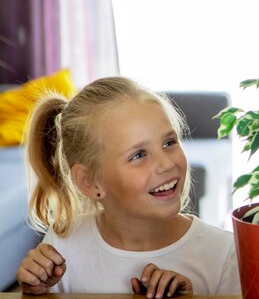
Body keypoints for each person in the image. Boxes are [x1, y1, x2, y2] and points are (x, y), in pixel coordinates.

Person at [16, 76, 241, 298]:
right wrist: (36, 292)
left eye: (169, 143)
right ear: (90, 181)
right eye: (139, 155)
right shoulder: (63, 247)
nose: (166, 164)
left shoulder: (223, 253)